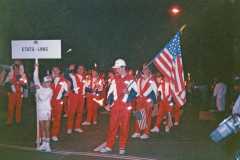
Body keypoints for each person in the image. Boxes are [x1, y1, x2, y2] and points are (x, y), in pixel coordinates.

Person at [100, 58, 138, 155]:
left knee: (124, 127)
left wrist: (128, 92)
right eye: (115, 68)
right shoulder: (115, 79)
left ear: (123, 67)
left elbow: (136, 93)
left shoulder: (131, 79)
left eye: (117, 68)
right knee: (112, 126)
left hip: (126, 106)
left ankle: (122, 146)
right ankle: (109, 146)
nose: (116, 70)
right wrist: (108, 103)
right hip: (115, 106)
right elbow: (110, 93)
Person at [131, 65, 158, 139]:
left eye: (146, 68)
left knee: (147, 116)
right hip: (139, 100)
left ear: (149, 70)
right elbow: (137, 90)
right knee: (138, 116)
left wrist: (152, 101)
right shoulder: (139, 79)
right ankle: (137, 132)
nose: (144, 70)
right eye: (143, 68)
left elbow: (155, 92)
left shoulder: (152, 81)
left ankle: (146, 133)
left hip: (147, 101)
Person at [34, 63, 52, 152]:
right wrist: (36, 67)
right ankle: (44, 144)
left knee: (47, 127)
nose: (49, 83)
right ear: (43, 82)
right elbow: (35, 77)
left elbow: (42, 98)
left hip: (47, 110)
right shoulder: (40, 87)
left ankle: (48, 145)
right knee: (41, 127)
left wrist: (37, 90)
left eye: (49, 82)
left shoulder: (50, 90)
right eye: (47, 82)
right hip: (40, 110)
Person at [66, 65, 86, 134]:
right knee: (72, 112)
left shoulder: (84, 78)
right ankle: (69, 127)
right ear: (76, 70)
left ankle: (77, 127)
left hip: (81, 97)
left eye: (82, 69)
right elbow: (66, 75)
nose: (81, 70)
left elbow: (86, 87)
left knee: (80, 112)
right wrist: (69, 69)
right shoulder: (72, 76)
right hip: (73, 96)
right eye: (79, 69)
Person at [51, 66, 68, 141]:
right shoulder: (48, 79)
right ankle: (44, 135)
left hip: (58, 102)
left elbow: (67, 92)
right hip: (48, 101)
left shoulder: (63, 81)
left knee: (57, 119)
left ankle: (54, 134)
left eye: (56, 70)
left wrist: (62, 96)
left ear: (59, 71)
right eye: (53, 70)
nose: (55, 71)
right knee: (47, 118)